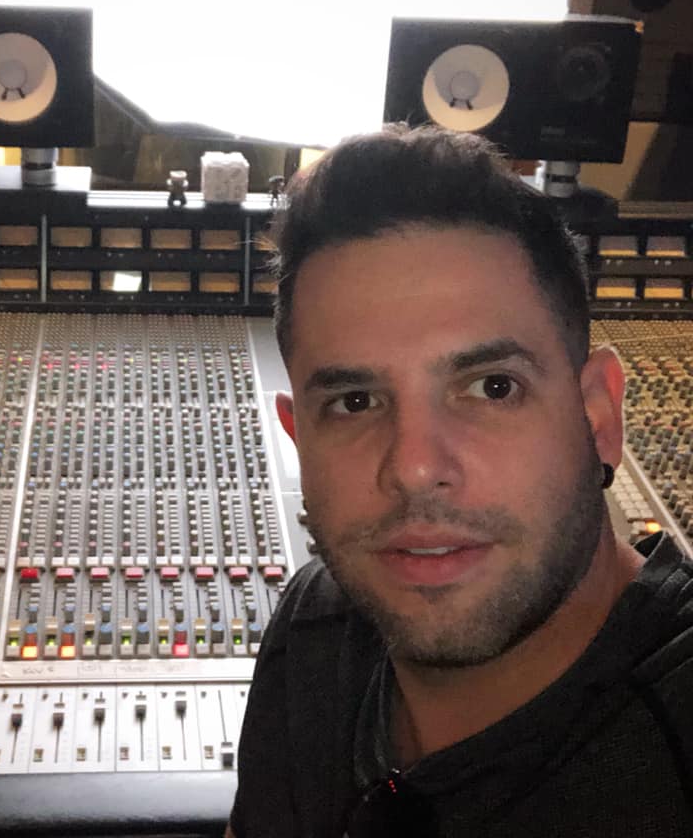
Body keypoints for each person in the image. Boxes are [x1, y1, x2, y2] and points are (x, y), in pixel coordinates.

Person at [227, 125, 693, 837]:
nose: (414, 468)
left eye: (493, 387)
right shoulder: (313, 630)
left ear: (598, 416)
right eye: (355, 401)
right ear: (299, 439)